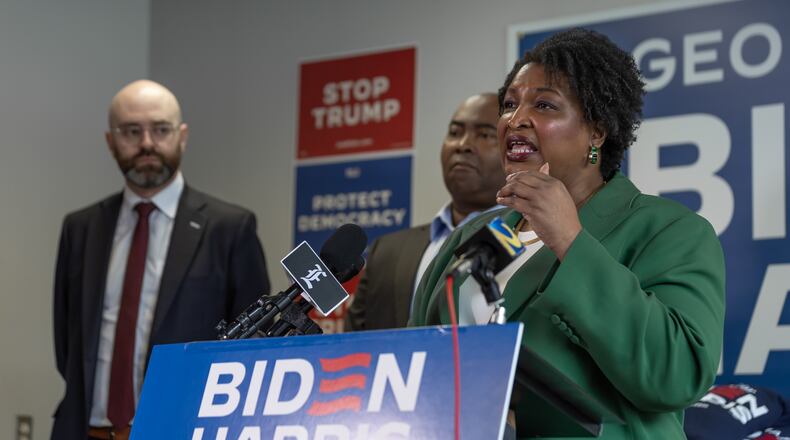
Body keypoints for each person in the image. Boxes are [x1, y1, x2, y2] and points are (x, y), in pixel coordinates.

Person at [410, 29, 725, 439]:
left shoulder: (669, 230)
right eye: (509, 105)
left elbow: (676, 374)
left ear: (596, 131)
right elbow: (414, 361)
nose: (515, 120)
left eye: (543, 104)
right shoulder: (471, 234)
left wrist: (569, 240)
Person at [52, 80, 271, 440]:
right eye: (131, 131)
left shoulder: (230, 228)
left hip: (182, 430)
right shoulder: (81, 228)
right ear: (110, 141)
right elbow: (66, 344)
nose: (147, 144)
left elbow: (250, 345)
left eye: (161, 129)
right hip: (85, 431)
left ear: (182, 136)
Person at [344, 93, 505, 331]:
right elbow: (354, 347)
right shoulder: (386, 252)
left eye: (484, 134)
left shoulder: (530, 242)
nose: (463, 145)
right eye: (455, 132)